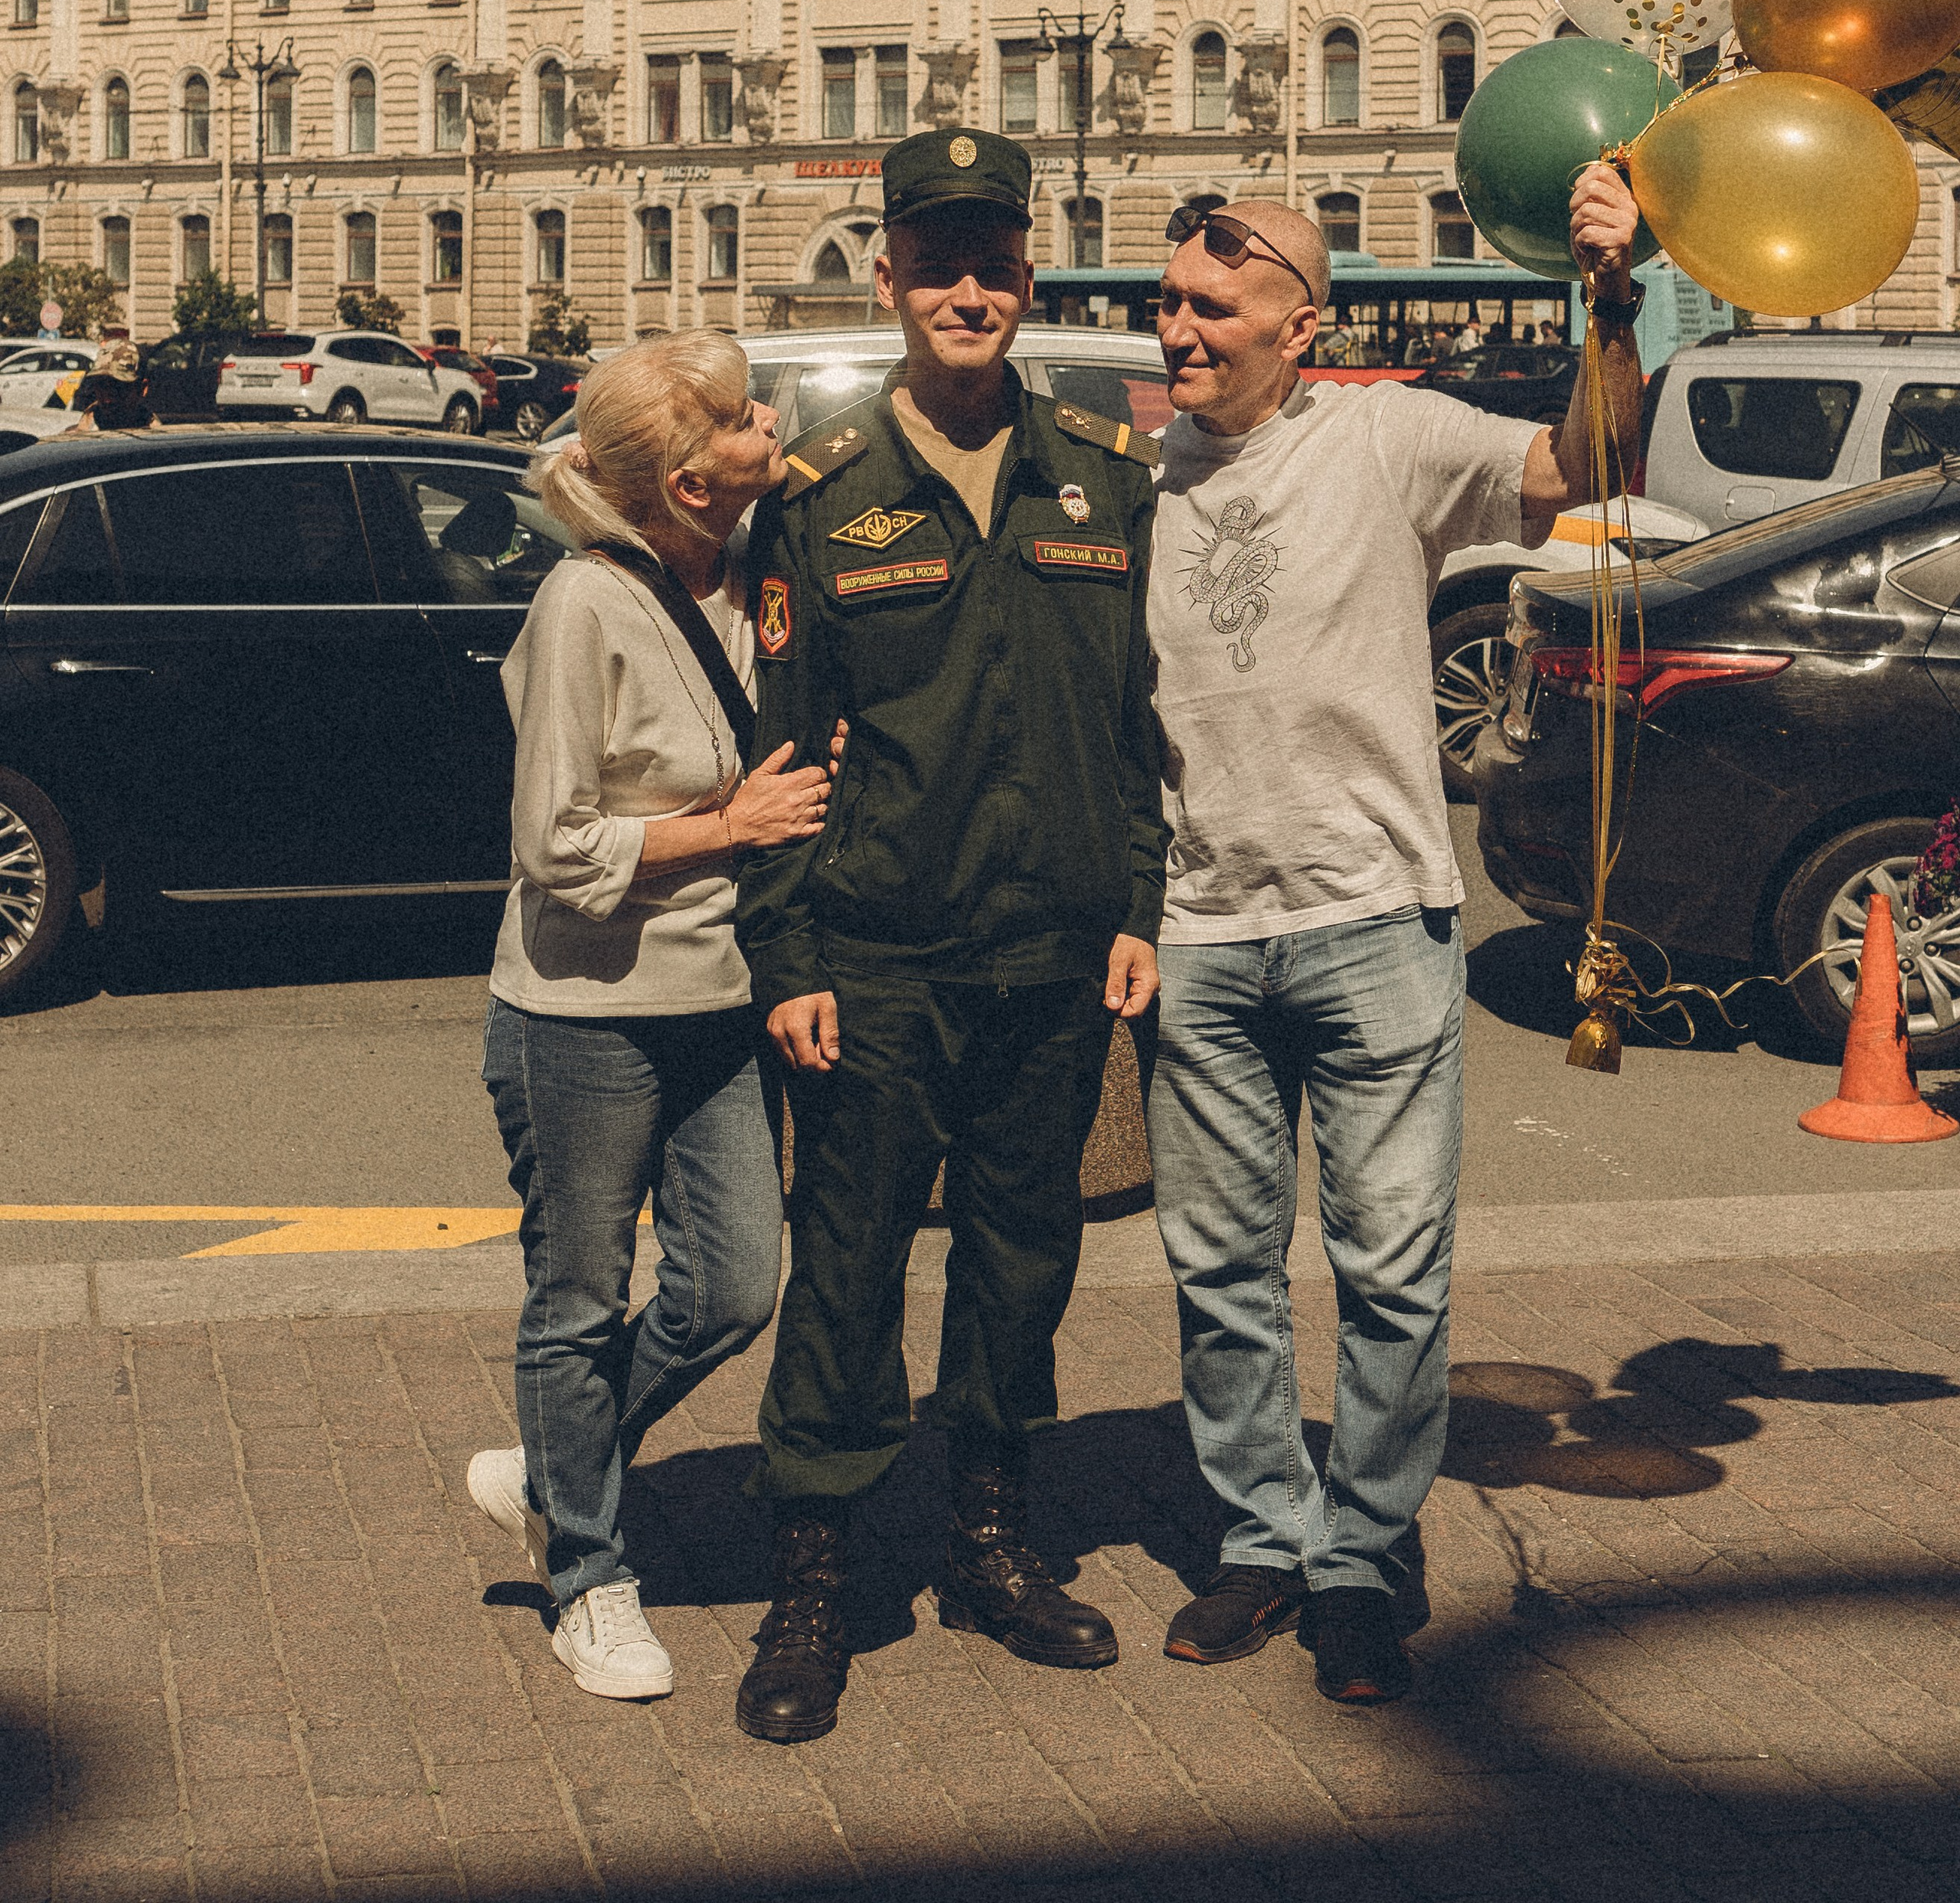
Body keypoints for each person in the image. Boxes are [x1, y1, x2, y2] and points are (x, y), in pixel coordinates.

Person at [1144, 170, 1642, 1705]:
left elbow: (1586, 460)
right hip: (1199, 932)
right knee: (1221, 1272)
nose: (1178, 331)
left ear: (1300, 326)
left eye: (1211, 308)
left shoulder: (1389, 435)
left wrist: (1608, 300)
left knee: (1392, 1276)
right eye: (1169, 303)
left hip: (1371, 920)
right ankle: (1261, 1537)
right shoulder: (1136, 474)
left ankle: (1360, 1556)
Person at [730, 126, 1165, 1746]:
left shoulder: (1101, 473)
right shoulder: (823, 491)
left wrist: (1138, 905)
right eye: (936, 264)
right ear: (889, 276)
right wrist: (788, 958)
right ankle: (814, 1582)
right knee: (845, 1272)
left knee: (1019, 1262)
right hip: (878, 956)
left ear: (1026, 277)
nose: (965, 292)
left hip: (1052, 952)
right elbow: (784, 750)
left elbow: (1134, 725)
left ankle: (990, 1542)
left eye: (992, 264)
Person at [468, 335, 833, 1702]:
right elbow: (555, 846)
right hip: (582, 1011)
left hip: (718, 999)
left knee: (734, 1286)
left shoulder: (753, 577)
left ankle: (553, 1467)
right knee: (578, 1297)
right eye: (743, 420)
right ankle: (587, 1580)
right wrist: (731, 825)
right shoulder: (585, 602)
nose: (771, 424)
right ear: (688, 480)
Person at [54, 338, 157, 433]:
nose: (107, 398)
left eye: (118, 387)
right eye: (101, 385)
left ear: (142, 389)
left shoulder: (159, 438)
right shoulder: (73, 440)